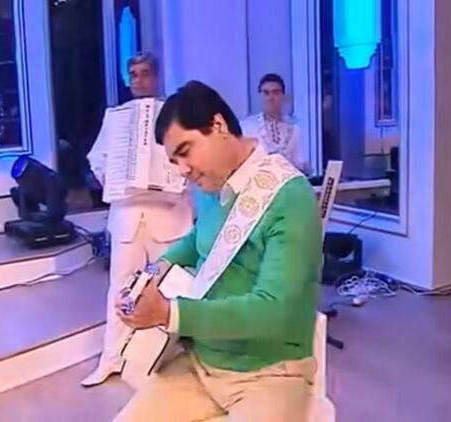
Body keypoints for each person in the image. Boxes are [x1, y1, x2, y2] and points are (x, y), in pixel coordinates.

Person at [112, 80, 323, 421]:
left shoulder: (290, 196)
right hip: (199, 363)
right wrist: (149, 275)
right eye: (174, 160)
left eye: (185, 151)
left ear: (219, 125)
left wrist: (167, 312)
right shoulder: (209, 185)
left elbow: (273, 311)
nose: (182, 170)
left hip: (270, 374)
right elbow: (199, 239)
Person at [81, 53, 194, 387]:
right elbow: (96, 157)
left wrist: (177, 178)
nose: (139, 80)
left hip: (169, 215)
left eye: (145, 73)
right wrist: (112, 178)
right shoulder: (115, 118)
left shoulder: (176, 113)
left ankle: (172, 357)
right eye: (133, 74)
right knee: (120, 289)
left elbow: (190, 154)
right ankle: (112, 357)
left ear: (156, 77)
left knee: (172, 287)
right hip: (128, 217)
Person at [240, 73, 308, 173]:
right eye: (266, 93)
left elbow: (300, 164)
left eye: (275, 92)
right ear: (260, 95)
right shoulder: (247, 127)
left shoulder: (294, 128)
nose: (270, 98)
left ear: (282, 95)